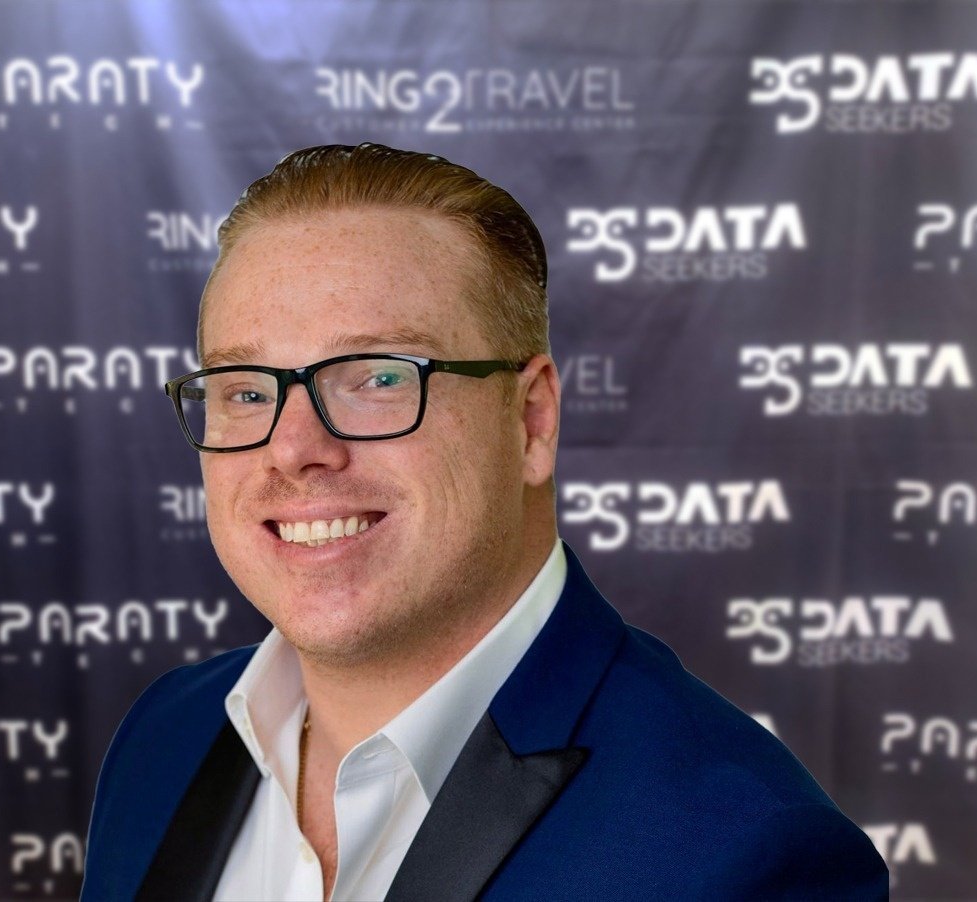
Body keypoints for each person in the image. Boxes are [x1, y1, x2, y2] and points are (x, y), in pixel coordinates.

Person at [82, 143, 887, 901]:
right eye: (246, 391)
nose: (294, 449)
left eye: (378, 377)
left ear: (531, 420)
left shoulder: (740, 858)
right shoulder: (164, 739)